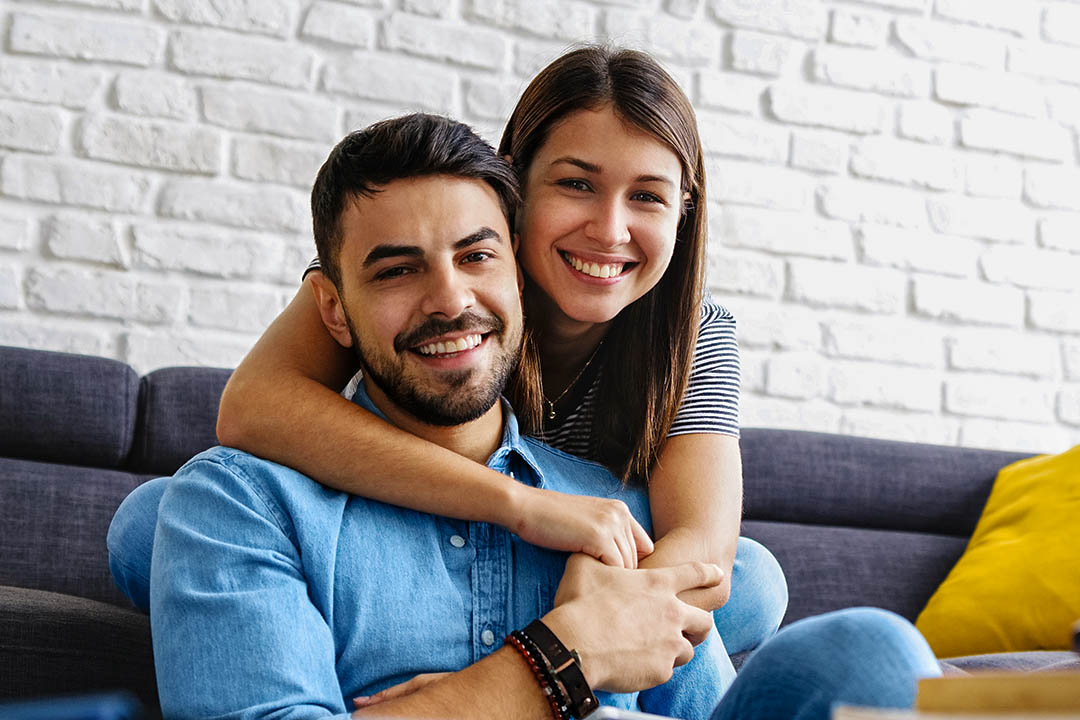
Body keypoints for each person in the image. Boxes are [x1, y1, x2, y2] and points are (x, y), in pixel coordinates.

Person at [143, 114, 941, 720]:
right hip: (267, 517)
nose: (451, 298)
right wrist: (563, 657)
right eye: (397, 270)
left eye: (477, 256)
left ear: (518, 270)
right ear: (333, 309)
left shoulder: (614, 510)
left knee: (859, 640)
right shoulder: (246, 503)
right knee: (164, 513)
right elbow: (249, 411)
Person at [111, 44, 786, 657]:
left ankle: (473, 664)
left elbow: (702, 544)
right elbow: (252, 411)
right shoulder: (415, 277)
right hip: (398, 540)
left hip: (560, 566)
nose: (610, 230)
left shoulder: (692, 333)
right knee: (153, 522)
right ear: (517, 185)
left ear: (684, 212)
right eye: (576, 184)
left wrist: (594, 579)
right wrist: (523, 505)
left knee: (753, 580)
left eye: (647, 197)